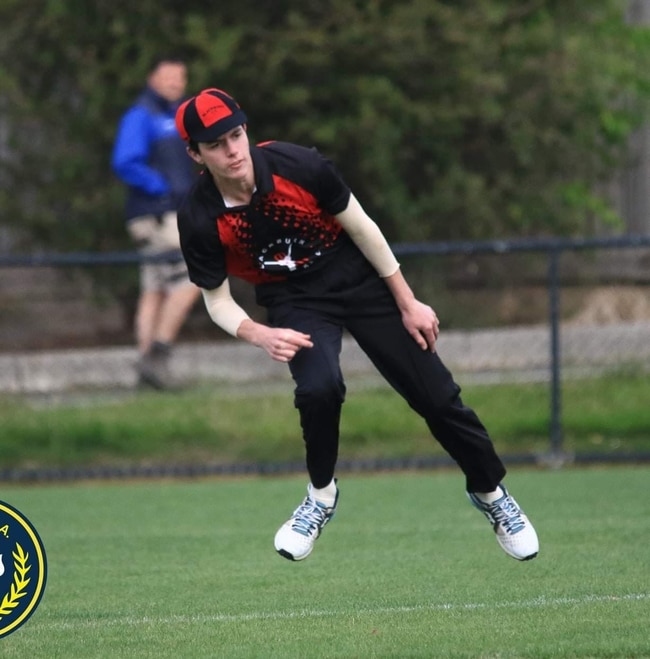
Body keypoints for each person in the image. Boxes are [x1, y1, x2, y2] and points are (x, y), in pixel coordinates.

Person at [174, 88, 540, 562]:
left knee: (436, 396)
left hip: (358, 279)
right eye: (217, 144)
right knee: (318, 388)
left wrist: (407, 301)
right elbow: (216, 300)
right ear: (195, 154)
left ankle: (492, 494)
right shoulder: (199, 216)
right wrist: (258, 333)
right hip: (294, 297)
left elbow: (363, 227)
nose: (233, 150)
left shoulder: (299, 166)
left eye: (237, 135)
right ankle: (320, 496)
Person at [112, 55, 201, 389]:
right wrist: (162, 187)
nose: (176, 82)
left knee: (155, 290)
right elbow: (125, 161)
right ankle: (157, 356)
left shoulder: (175, 116)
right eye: (169, 76)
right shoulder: (141, 115)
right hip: (156, 214)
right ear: (152, 77)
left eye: (181, 76)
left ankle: (146, 374)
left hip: (169, 213)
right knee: (197, 275)